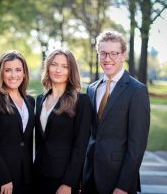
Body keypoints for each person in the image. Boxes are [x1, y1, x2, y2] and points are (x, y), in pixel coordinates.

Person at [81, 31, 150, 194]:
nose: (108, 58)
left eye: (114, 53)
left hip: (118, 179)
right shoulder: (92, 88)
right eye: (103, 53)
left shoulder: (137, 90)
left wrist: (123, 186)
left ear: (123, 55)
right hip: (90, 176)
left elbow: (137, 145)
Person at [33, 49, 93, 194]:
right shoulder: (40, 99)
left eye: (65, 66)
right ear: (48, 67)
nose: (58, 70)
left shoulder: (81, 101)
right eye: (54, 64)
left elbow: (81, 146)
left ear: (71, 70)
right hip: (38, 175)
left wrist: (69, 183)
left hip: (63, 178)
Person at [0, 50, 35, 194]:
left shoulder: (30, 101)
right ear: (1, 73)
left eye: (18, 70)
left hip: (25, 177)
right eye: (8, 70)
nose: (13, 75)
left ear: (24, 73)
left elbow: (27, 142)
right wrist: (4, 178)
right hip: (0, 178)